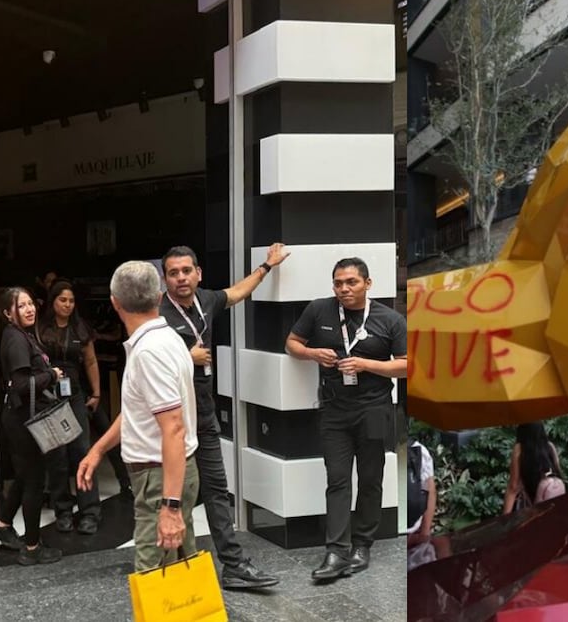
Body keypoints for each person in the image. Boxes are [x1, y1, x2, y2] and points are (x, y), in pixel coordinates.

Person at [158, 244, 289, 589]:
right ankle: (170, 571)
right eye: (173, 273)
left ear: (198, 273)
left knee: (217, 489)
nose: (181, 278)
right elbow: (144, 358)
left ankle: (233, 565)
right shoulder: (157, 314)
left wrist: (267, 266)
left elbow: (238, 292)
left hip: (203, 412)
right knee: (176, 494)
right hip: (171, 418)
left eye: (186, 270)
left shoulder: (206, 300)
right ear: (165, 278)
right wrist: (188, 356)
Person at [286, 257, 408, 580]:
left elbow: (407, 365)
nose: (344, 288)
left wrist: (367, 365)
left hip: (374, 407)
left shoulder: (390, 319)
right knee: (337, 478)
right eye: (338, 283)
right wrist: (313, 354)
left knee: (370, 478)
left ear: (368, 284)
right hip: (334, 409)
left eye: (351, 282)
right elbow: (292, 344)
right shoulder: (318, 310)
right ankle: (336, 551)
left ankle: (362, 544)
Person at [76, 261, 200, 571]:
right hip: (171, 473)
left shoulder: (148, 352)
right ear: (160, 297)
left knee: (154, 573)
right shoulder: (167, 339)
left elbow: (173, 428)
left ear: (114, 303)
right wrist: (99, 448)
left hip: (159, 478)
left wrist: (170, 508)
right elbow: (138, 411)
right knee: (177, 575)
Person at [0, 287, 64, 566]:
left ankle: (2, 526)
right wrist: (51, 375)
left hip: (18, 416)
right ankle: (31, 547)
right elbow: (21, 384)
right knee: (34, 481)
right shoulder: (16, 339)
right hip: (23, 419)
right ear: (7, 313)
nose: (29, 309)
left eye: (31, 303)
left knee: (24, 475)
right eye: (21, 306)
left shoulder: (19, 334)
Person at [37, 281, 103, 534]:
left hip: (74, 394)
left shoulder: (80, 327)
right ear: (53, 301)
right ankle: (62, 510)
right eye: (62, 300)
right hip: (49, 397)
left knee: (82, 452)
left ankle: (90, 512)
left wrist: (96, 393)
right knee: (56, 456)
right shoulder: (40, 328)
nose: (67, 305)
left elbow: (91, 361)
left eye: (71, 300)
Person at [501, 422, 565, 514]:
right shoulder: (550, 446)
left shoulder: (519, 449)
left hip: (530, 506)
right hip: (553, 503)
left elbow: (513, 487)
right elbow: (558, 472)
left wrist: (505, 518)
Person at [406, 440, 436, 547]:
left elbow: (430, 491)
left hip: (412, 532)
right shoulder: (418, 449)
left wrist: (424, 534)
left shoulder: (417, 450)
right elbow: (430, 491)